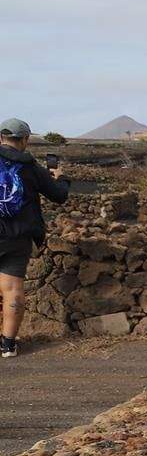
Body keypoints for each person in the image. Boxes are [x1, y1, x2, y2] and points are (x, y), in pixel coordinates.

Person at [0, 119, 70, 359]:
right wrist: (61, 177)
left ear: (1, 138)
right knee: (12, 289)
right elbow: (59, 195)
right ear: (25, 139)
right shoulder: (31, 167)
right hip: (17, 237)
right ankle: (8, 346)